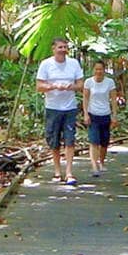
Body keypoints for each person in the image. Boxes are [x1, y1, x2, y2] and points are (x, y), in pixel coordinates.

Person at [36, 37, 84, 185]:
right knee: (54, 140)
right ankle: (57, 171)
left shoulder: (74, 64)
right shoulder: (46, 64)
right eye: (60, 47)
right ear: (54, 49)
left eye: (65, 47)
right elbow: (39, 86)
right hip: (52, 108)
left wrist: (70, 87)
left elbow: (81, 84)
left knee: (70, 140)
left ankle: (69, 172)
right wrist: (54, 86)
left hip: (69, 108)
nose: (63, 50)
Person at [83, 60, 119, 177]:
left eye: (101, 69)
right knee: (94, 141)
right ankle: (94, 166)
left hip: (105, 115)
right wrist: (86, 114)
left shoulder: (110, 82)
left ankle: (101, 162)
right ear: (93, 70)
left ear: (104, 70)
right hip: (93, 114)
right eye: (96, 69)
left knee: (104, 142)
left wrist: (114, 115)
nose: (98, 71)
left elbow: (113, 100)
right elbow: (85, 99)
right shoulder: (88, 82)